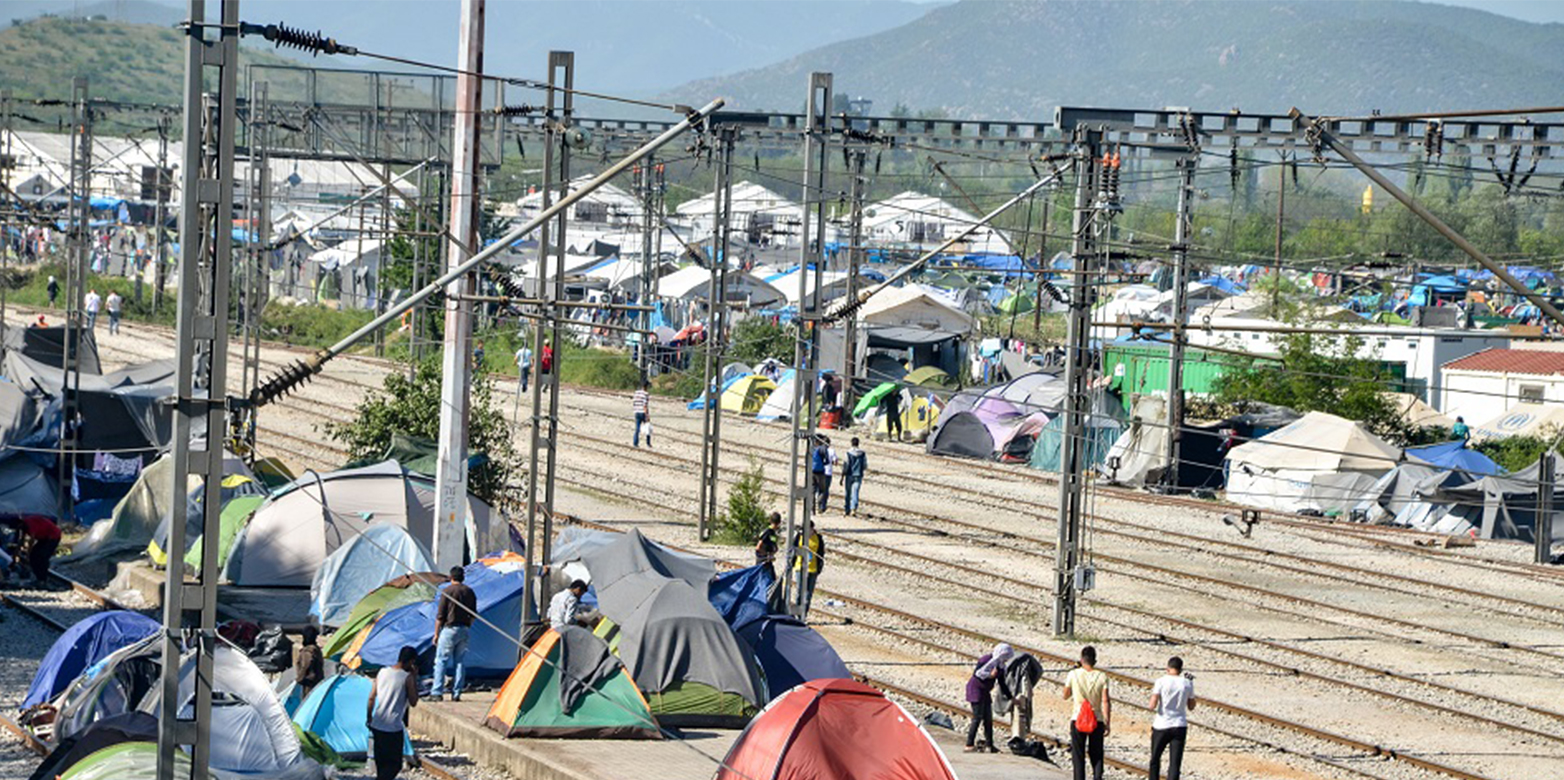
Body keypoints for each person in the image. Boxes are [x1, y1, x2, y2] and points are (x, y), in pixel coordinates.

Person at [366, 646, 419, 780]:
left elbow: (371, 697)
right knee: (395, 764)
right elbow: (413, 701)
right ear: (411, 661)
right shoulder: (406, 677)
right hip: (393, 726)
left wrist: (369, 718)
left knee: (381, 763)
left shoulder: (382, 671)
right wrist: (414, 678)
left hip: (377, 723)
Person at [1062, 645, 1111, 780]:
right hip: (1097, 719)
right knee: (1097, 753)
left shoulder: (1073, 674)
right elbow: (1106, 701)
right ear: (1095, 660)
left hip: (1078, 718)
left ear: (1081, 659)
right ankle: (1097, 777)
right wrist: (1107, 722)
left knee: (1078, 754)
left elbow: (1065, 695)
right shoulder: (1102, 676)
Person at [430, 566, 476, 701]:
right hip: (464, 629)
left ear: (451, 577)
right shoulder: (469, 591)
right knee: (460, 662)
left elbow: (440, 616)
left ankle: (437, 692)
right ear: (463, 577)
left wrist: (436, 634)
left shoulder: (447, 591)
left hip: (449, 629)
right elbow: (473, 614)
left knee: (441, 661)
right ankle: (456, 693)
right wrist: (468, 626)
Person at [1149, 656, 1195, 780]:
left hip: (1161, 724)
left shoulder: (1161, 681)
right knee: (1175, 763)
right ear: (1180, 670)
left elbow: (1152, 705)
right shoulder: (1187, 683)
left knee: (1155, 759)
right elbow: (1191, 706)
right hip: (1180, 724)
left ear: (1167, 668)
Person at [965, 643, 1014, 752]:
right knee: (977, 717)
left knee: (988, 718)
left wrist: (1011, 697)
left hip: (985, 692)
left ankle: (989, 745)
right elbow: (977, 674)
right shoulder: (986, 659)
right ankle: (969, 744)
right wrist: (990, 675)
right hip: (976, 690)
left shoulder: (1000, 666)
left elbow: (1002, 683)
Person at [1, 515, 61, 586]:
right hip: (44, 538)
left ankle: (42, 579)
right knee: (34, 556)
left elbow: (31, 540)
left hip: (53, 536)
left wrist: (27, 555)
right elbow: (21, 541)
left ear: (20, 524)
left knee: (41, 557)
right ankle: (39, 578)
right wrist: (15, 556)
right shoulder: (23, 527)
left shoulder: (30, 523)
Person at [790, 525, 825, 617]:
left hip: (813, 568)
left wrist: (820, 567)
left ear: (813, 528)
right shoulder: (799, 536)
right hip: (800, 567)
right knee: (800, 591)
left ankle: (804, 614)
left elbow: (821, 553)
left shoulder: (818, 538)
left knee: (808, 594)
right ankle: (796, 612)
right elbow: (793, 548)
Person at [295, 626, 325, 699]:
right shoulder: (316, 649)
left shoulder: (308, 651)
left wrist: (300, 678)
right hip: (317, 680)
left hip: (309, 682)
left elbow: (306, 664)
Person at [841, 437, 867, 516]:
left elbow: (846, 465)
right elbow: (865, 465)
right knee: (855, 492)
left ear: (851, 443)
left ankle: (847, 509)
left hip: (849, 474)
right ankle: (853, 509)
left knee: (848, 492)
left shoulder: (848, 453)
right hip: (858, 475)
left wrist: (842, 476)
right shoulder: (862, 454)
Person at [811, 436, 833, 513]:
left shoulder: (812, 448)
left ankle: (812, 508)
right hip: (820, 472)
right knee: (822, 490)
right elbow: (827, 461)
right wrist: (823, 463)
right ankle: (820, 507)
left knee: (812, 490)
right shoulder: (823, 448)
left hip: (812, 471)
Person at [632, 382, 652, 448]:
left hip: (636, 412)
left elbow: (634, 402)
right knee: (647, 427)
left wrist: (635, 410)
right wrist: (647, 415)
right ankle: (648, 443)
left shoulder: (636, 393)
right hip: (643, 412)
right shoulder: (646, 394)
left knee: (637, 428)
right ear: (646, 387)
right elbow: (645, 405)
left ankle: (635, 443)